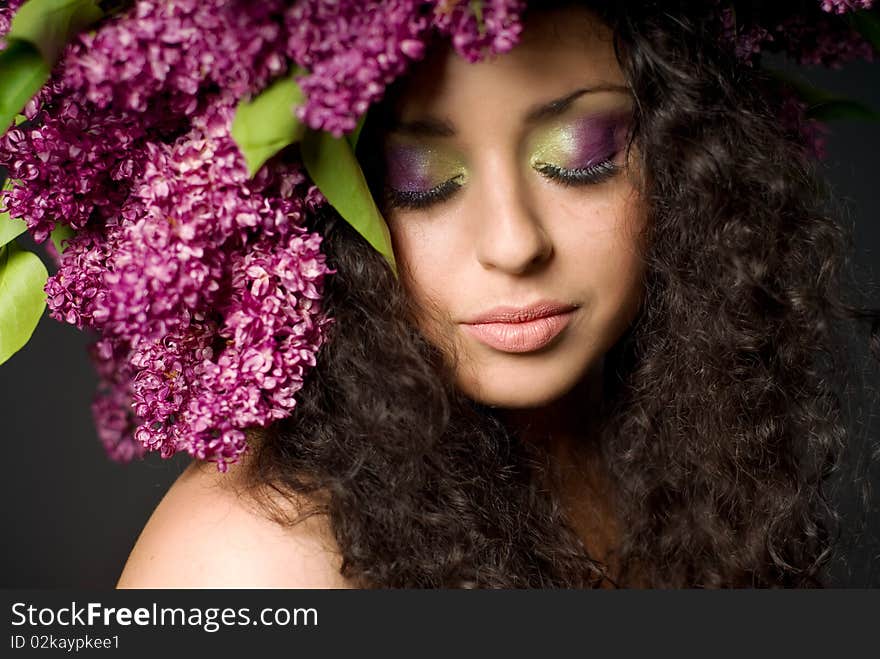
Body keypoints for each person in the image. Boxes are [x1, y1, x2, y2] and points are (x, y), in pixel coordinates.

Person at [114, 1, 879, 588]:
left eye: (582, 155)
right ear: (304, 210)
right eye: (417, 181)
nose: (514, 243)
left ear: (689, 159)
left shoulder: (686, 456)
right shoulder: (244, 560)